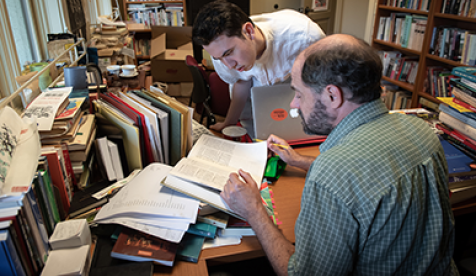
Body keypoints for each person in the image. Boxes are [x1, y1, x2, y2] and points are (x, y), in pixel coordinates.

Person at [221, 34, 458, 275]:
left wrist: (254, 211)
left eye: (299, 94)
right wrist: (300, 161)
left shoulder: (332, 173)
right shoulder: (420, 130)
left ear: (333, 96)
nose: (294, 104)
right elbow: (367, 179)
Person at [192, 0, 325, 137]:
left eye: (229, 53)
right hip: (254, 112)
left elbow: (319, 85)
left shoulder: (304, 37)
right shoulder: (222, 56)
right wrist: (229, 122)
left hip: (295, 106)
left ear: (249, 32)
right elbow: (242, 81)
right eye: (218, 58)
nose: (229, 65)